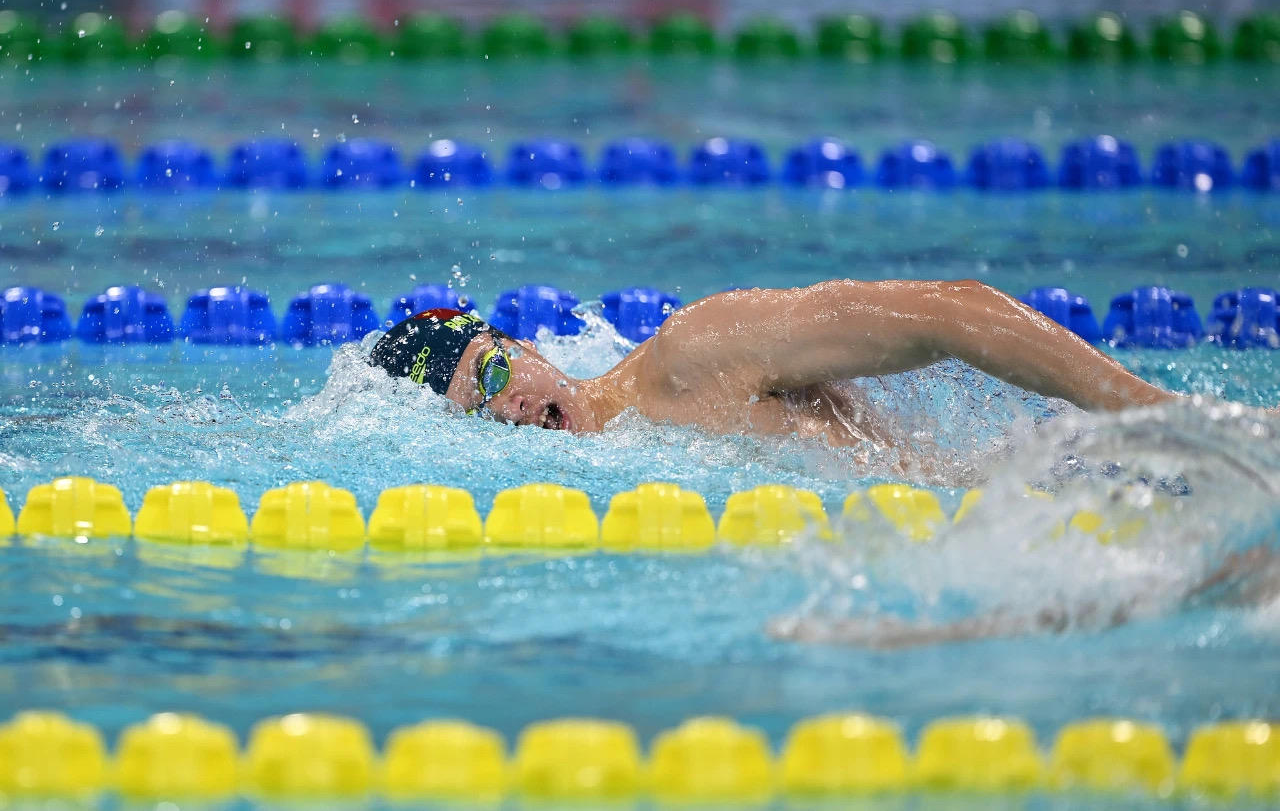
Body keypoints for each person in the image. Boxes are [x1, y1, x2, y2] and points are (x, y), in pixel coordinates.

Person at [369, 279, 1180, 454]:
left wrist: (1152, 412)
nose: (505, 410)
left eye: (495, 376)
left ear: (528, 348)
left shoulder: (691, 356)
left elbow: (950, 311)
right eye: (478, 409)